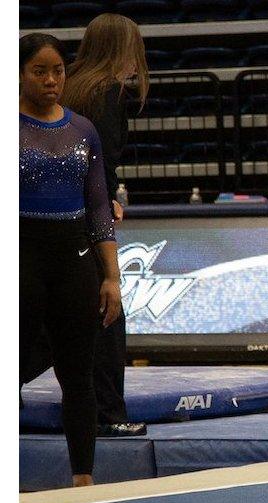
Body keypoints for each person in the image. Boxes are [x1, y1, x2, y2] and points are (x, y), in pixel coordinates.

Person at [20, 33, 122, 487]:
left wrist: (112, 277)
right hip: (21, 258)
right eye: (39, 71)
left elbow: (99, 208)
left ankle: (83, 478)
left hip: (75, 259)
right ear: (20, 74)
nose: (50, 80)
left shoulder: (83, 129)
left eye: (57, 70)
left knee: (77, 372)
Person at [59, 13, 149, 438]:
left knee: (52, 316)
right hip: (85, 215)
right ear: (120, 48)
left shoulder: (70, 85)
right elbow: (101, 160)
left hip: (51, 212)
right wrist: (108, 198)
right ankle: (109, 412)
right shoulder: (108, 93)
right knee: (107, 312)